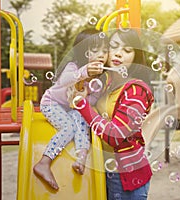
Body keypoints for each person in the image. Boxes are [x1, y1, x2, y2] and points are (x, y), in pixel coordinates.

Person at [74, 28, 154, 200]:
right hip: (107, 170)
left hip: (125, 175)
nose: (118, 54)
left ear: (135, 57)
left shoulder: (136, 91)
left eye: (127, 50)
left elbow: (116, 135)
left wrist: (81, 104)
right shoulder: (106, 84)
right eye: (114, 46)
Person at [33, 28, 109, 190]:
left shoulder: (100, 78)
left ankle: (81, 158)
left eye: (105, 51)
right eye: (96, 50)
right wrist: (84, 72)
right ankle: (44, 162)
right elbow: (64, 81)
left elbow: (92, 100)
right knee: (69, 127)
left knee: (82, 124)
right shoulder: (73, 67)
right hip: (52, 104)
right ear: (83, 52)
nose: (102, 55)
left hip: (71, 108)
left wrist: (88, 94)